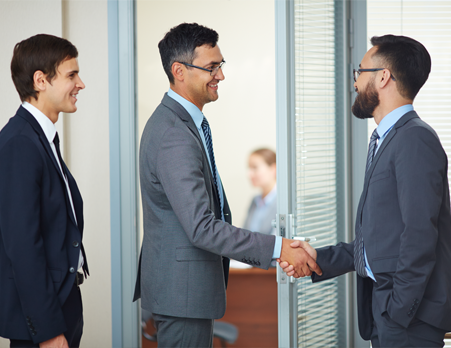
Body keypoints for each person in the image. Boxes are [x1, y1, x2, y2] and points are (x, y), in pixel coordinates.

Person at [132, 22, 320, 347]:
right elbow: (202, 227)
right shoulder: (174, 134)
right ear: (179, 70)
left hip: (184, 295)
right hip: (182, 297)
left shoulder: (184, 125)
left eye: (221, 65)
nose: (220, 75)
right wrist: (278, 248)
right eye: (211, 67)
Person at [280, 34, 451, 347]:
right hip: (387, 311)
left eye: (359, 73)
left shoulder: (414, 139)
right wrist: (317, 258)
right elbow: (380, 241)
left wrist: (398, 311)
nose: (354, 83)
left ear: (382, 77)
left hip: (407, 319)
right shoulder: (385, 140)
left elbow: (419, 236)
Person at [0, 34, 88, 348]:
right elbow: (23, 246)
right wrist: (49, 330)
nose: (80, 84)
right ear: (40, 80)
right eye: (71, 75)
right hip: (43, 318)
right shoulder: (20, 145)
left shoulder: (39, 138)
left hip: (61, 301)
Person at [243, 148, 277, 235]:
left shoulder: (283, 203)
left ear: (273, 169)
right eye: (249, 168)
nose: (249, 174)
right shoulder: (255, 201)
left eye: (255, 167)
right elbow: (244, 234)